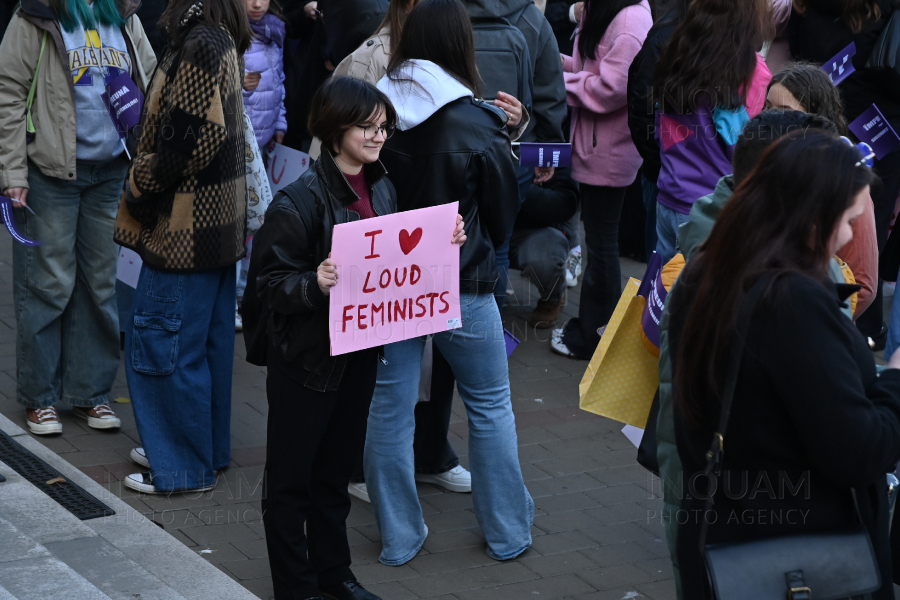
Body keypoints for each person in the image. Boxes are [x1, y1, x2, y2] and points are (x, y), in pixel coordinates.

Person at [247, 75, 465, 600]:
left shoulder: (383, 185)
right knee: (290, 483)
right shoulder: (295, 203)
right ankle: (295, 586)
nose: (377, 136)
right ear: (334, 126)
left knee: (335, 477)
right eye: (366, 126)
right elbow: (266, 289)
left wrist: (445, 241)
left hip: (360, 355)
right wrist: (313, 283)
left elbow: (397, 258)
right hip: (306, 363)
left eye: (383, 127)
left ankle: (335, 574)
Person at [666, 129, 900, 600]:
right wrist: (894, 378)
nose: (852, 235)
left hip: (726, 537)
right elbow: (859, 451)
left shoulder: (707, 272)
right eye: (850, 220)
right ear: (812, 219)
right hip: (798, 563)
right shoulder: (790, 304)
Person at [367, 0, 532, 567]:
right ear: (460, 43)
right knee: (489, 405)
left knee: (388, 408)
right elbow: (505, 211)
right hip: (466, 282)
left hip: (389, 282)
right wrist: (514, 134)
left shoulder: (375, 112)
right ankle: (508, 533)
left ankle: (397, 537)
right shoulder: (477, 120)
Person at [0, 0, 156, 435]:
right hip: (50, 172)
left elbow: (151, 80)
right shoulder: (35, 14)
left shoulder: (123, 13)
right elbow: (8, 92)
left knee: (100, 285)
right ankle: (40, 396)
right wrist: (12, 171)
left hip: (111, 173)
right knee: (47, 284)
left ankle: (91, 394)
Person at [114, 0, 251, 494]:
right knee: (202, 348)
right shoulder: (215, 33)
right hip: (213, 231)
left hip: (185, 230)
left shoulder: (201, 40)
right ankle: (202, 454)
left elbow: (189, 143)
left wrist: (140, 178)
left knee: (162, 348)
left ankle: (182, 467)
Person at [790, 0, 900, 350]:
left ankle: (811, 299)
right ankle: (862, 319)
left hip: (819, 119)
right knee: (868, 223)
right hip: (876, 129)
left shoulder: (805, 6)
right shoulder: (882, 9)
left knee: (810, 215)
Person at [550, 0, 652, 360]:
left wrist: (559, 81)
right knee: (600, 241)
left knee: (603, 245)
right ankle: (598, 331)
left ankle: (596, 337)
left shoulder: (630, 18)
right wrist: (551, 61)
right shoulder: (602, 9)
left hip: (610, 150)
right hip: (594, 145)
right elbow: (587, 67)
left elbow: (612, 87)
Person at [652, 0, 772, 264]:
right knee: (697, 300)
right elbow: (744, 147)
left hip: (668, 197)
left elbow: (660, 126)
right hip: (710, 210)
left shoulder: (678, 52)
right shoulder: (750, 71)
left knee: (660, 296)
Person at [627, 0, 690, 260]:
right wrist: (660, 165)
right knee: (660, 278)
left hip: (697, 185)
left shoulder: (727, 40)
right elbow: (641, 108)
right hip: (665, 179)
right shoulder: (667, 36)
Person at [511, 168, 579, 327]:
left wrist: (518, 186)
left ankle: (553, 299)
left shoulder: (545, 144)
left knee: (545, 257)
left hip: (531, 230)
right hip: (483, 228)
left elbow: (565, 203)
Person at [243, 0, 287, 153]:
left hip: (265, 138)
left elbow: (278, 80)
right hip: (238, 138)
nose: (257, 4)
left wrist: (279, 124)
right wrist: (241, 85)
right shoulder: (230, 34)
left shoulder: (274, 30)